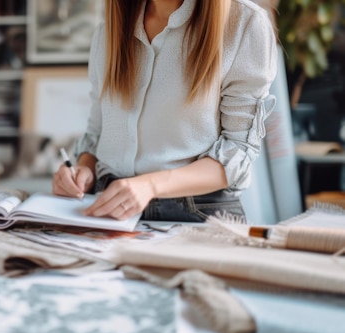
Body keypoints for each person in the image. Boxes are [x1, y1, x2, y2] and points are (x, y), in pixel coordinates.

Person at [52, 0, 277, 222]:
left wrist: (150, 186)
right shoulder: (108, 31)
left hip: (196, 213)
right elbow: (97, 131)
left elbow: (238, 151)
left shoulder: (244, 23)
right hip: (107, 209)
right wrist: (84, 170)